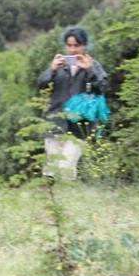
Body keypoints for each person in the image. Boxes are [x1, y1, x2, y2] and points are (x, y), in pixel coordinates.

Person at [37, 27, 108, 180]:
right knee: (52, 166)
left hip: (80, 124)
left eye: (77, 45)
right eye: (69, 45)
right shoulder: (59, 65)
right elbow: (40, 84)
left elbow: (102, 87)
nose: (73, 49)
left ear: (85, 45)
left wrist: (89, 70)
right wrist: (52, 70)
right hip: (55, 120)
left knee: (67, 166)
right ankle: (49, 198)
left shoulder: (93, 65)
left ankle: (66, 198)